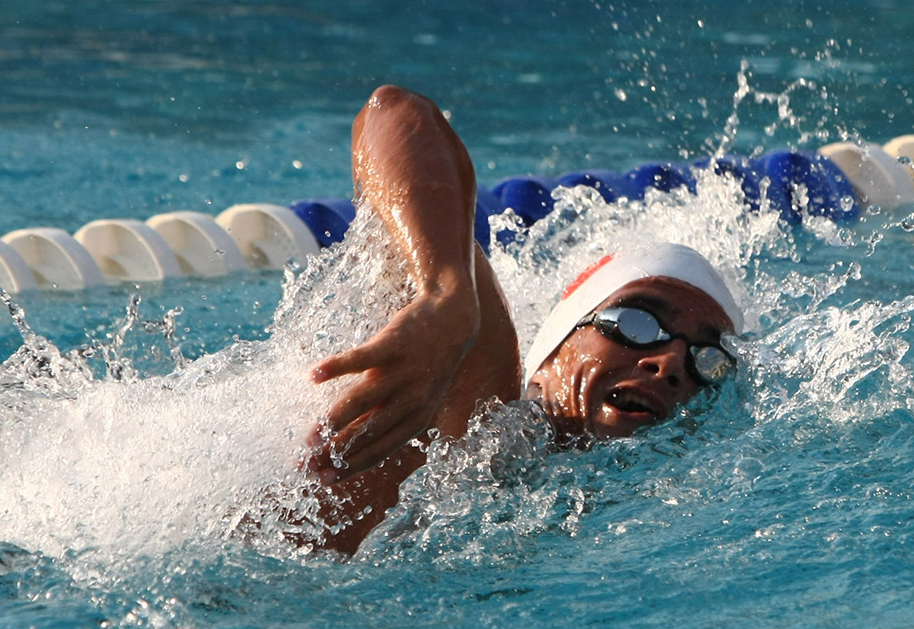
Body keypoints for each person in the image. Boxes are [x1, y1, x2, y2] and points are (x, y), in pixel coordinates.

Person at [301, 85, 742, 554]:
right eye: (638, 322)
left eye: (705, 357)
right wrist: (444, 295)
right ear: (556, 347)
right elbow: (391, 113)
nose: (671, 361)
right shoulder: (483, 401)